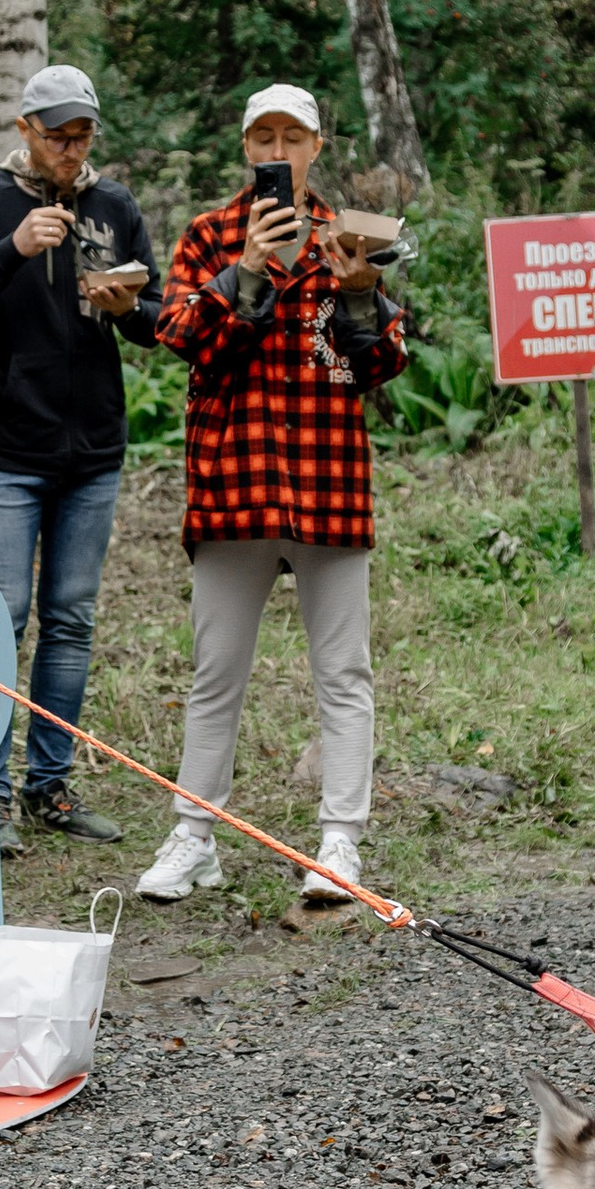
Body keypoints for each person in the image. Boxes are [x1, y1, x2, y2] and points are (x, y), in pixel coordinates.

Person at [137, 85, 408, 912]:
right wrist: (248, 269)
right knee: (216, 672)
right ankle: (194, 834)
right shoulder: (212, 235)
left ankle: (339, 842)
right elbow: (181, 337)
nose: (278, 149)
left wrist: (361, 293)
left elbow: (382, 365)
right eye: (265, 136)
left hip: (327, 481)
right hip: (235, 480)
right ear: (246, 146)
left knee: (344, 672)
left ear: (316, 147)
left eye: (294, 136)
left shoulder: (345, 238)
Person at [0, 64, 160, 845]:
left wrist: (129, 309)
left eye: (82, 135)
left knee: (72, 618)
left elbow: (160, 319)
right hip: (5, 452)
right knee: (1, 619)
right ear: (24, 130)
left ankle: (49, 789)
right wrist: (11, 249)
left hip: (92, 449)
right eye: (56, 135)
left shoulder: (113, 204)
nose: (70, 148)